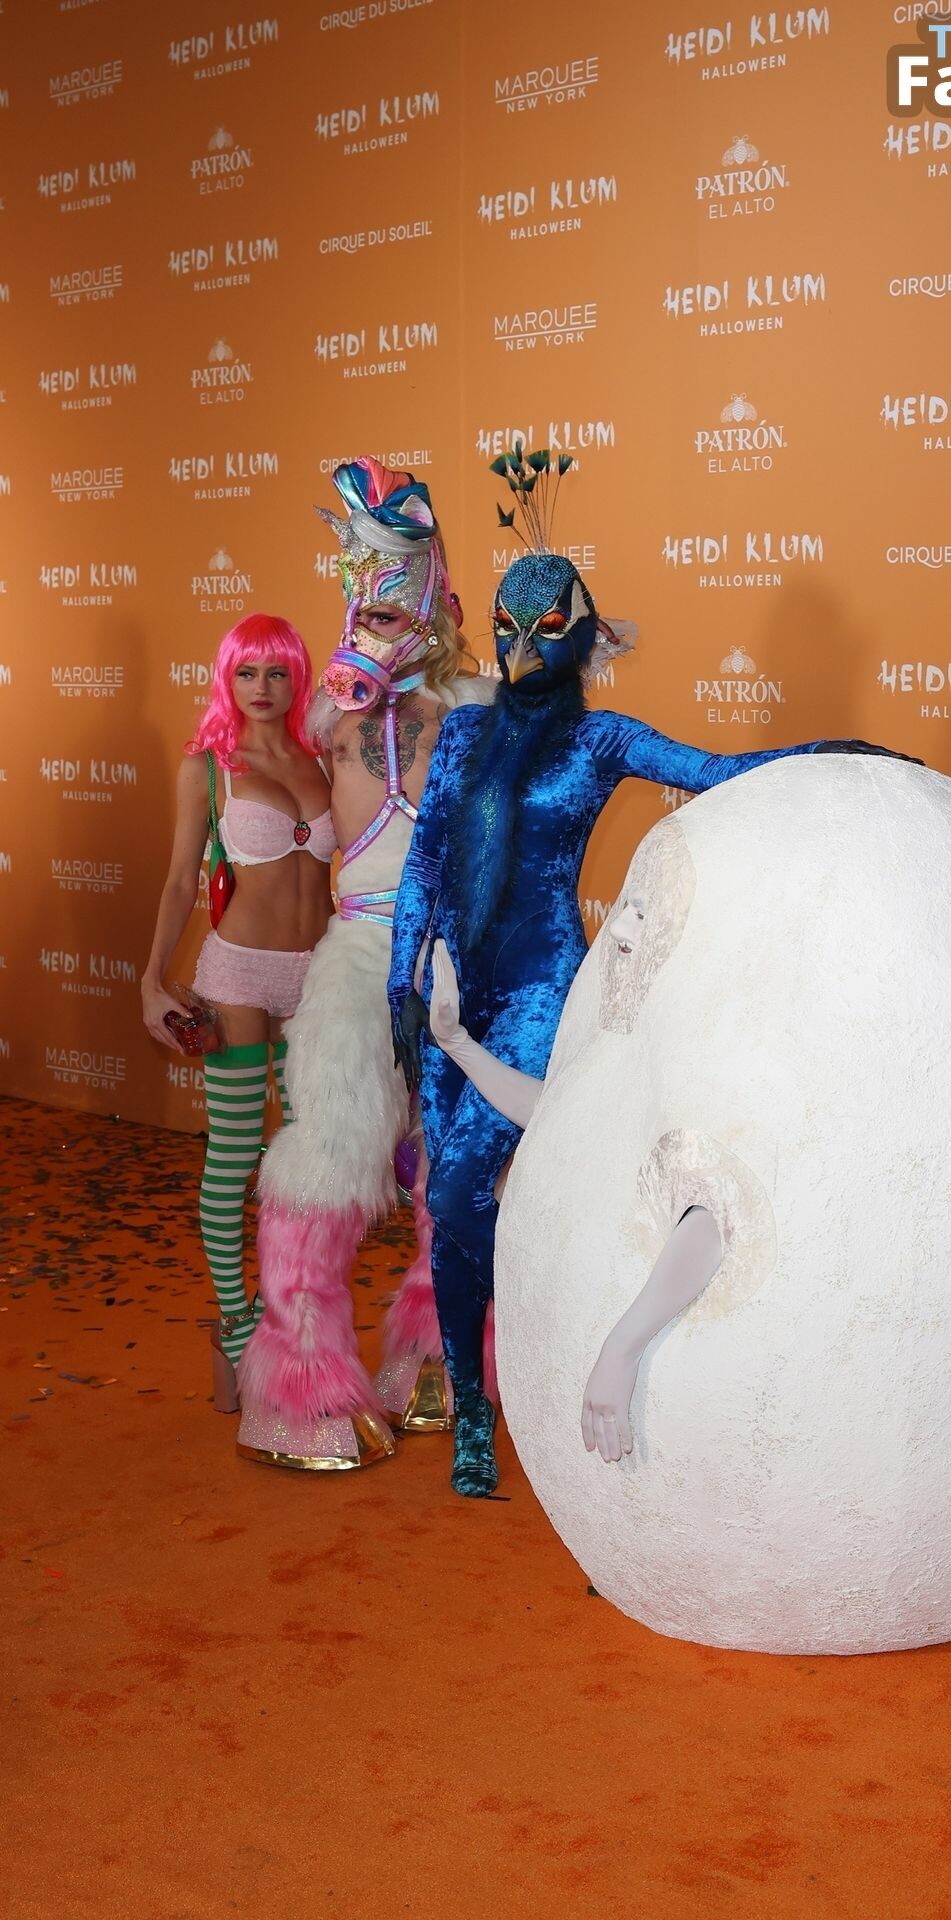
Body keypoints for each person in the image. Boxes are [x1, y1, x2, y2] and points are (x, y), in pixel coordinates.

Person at [388, 447, 921, 1497]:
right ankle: (472, 1412)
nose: (524, 647)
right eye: (508, 627)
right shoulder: (459, 735)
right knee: (453, 1213)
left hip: (541, 996)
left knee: (465, 1183)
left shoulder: (601, 742)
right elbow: (424, 866)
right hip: (450, 998)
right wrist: (401, 988)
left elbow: (716, 774)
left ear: (582, 633)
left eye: (548, 628)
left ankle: (543, 1374)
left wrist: (833, 750)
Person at [234, 457, 492, 1472]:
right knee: (331, 1148)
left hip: (454, 954)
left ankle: (438, 1354)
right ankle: (298, 1386)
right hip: (359, 944)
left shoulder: (477, 706)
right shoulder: (329, 713)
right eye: (362, 588)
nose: (374, 609)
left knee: (457, 1160)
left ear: (433, 592)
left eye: (394, 587)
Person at [423, 939, 724, 1465]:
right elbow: (556, 1114)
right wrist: (457, 1043)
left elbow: (713, 1216)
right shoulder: (627, 1042)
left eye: (641, 913)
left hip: (677, 1370)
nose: (621, 925)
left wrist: (622, 1348)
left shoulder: (704, 1045)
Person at [141, 613, 334, 1410]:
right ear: (227, 678)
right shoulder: (209, 765)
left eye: (277, 672)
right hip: (239, 976)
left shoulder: (324, 756)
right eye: (247, 672)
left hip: (319, 976)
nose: (262, 688)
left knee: (308, 1158)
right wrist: (151, 980)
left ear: (297, 679)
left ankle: (289, 1318)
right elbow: (179, 880)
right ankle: (236, 1326)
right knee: (233, 1154)